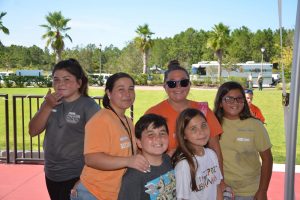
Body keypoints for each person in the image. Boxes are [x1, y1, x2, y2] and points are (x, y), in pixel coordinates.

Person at [28, 58, 100, 200]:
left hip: (76, 174)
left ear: (79, 82)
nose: (60, 84)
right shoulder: (50, 102)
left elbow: (101, 143)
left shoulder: (89, 106)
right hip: (51, 172)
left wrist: (88, 176)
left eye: (66, 79)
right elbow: (33, 131)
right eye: (56, 79)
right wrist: (48, 106)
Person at [70, 72, 150, 200]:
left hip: (113, 193)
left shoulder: (127, 121)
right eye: (121, 89)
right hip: (93, 193)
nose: (127, 94)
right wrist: (129, 161)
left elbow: (132, 152)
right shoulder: (101, 120)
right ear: (109, 93)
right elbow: (91, 158)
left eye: (131, 89)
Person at [145, 60, 224, 187]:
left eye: (183, 82)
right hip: (166, 181)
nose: (178, 87)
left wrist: (220, 182)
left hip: (201, 181)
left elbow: (216, 149)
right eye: (172, 83)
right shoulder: (153, 113)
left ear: (189, 84)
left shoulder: (203, 110)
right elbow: (143, 151)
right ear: (164, 86)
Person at [213, 81, 273, 199]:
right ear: (220, 102)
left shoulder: (255, 126)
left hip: (250, 192)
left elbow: (268, 159)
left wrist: (262, 190)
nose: (235, 103)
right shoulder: (212, 125)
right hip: (221, 190)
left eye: (239, 99)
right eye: (229, 99)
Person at [118, 114, 176, 200]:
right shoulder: (134, 176)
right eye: (150, 135)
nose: (158, 138)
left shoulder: (168, 160)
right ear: (139, 142)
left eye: (162, 133)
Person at [172, 108, 223, 200]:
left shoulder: (212, 155)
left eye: (203, 125)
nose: (201, 132)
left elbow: (217, 186)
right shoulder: (184, 165)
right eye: (193, 129)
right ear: (184, 135)